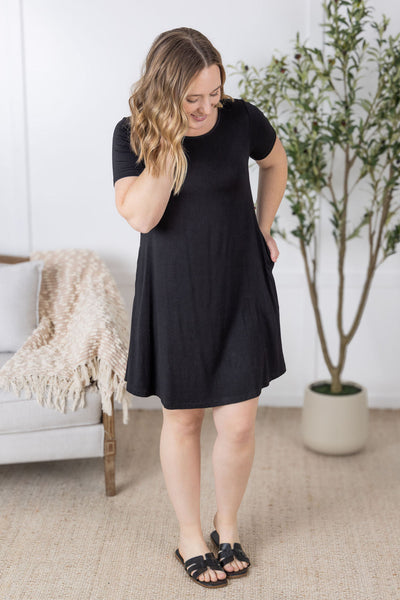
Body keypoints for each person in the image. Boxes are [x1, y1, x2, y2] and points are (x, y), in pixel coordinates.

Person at [112, 27, 287, 589]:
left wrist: (262, 227)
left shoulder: (240, 119)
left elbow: (276, 163)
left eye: (214, 93)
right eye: (192, 99)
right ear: (166, 93)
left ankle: (225, 525)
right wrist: (167, 141)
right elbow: (142, 216)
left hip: (239, 284)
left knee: (238, 423)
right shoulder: (133, 133)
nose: (207, 108)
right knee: (184, 418)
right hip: (177, 293)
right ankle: (190, 535)